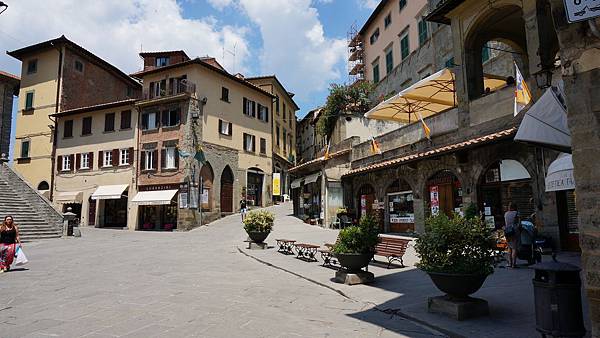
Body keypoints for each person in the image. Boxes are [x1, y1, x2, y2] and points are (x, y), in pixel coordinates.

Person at [504, 202, 520, 268]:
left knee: (509, 247)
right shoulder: (516, 213)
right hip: (514, 231)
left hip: (507, 231)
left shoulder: (506, 213)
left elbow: (506, 222)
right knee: (514, 248)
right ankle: (513, 264)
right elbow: (519, 223)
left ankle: (510, 263)